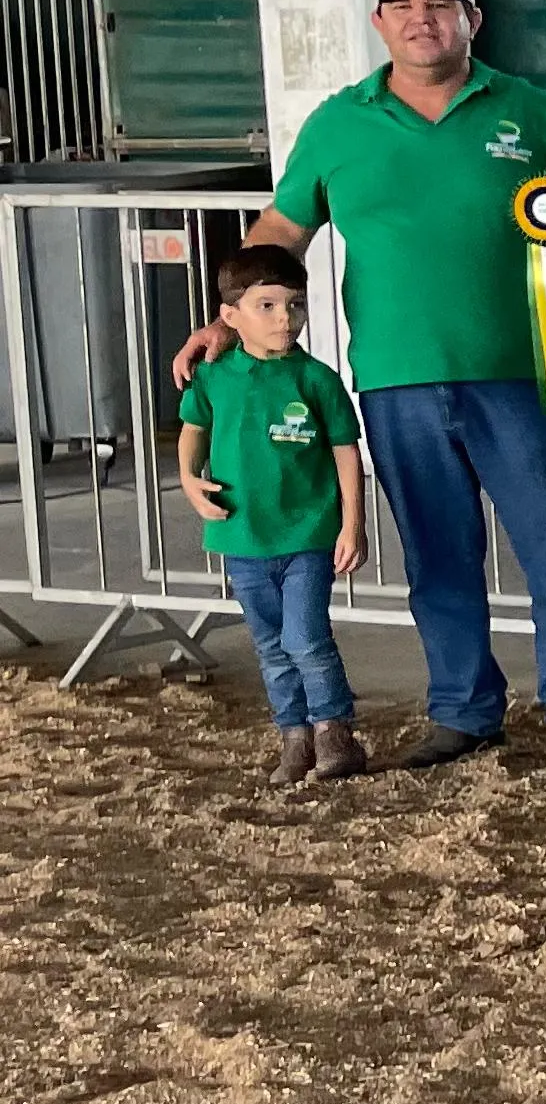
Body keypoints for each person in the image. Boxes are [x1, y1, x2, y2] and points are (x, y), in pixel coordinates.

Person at [176, 0, 546, 765]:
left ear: (472, 20)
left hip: (522, 370)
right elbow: (282, 231)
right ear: (380, 23)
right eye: (404, 6)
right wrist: (226, 317)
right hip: (394, 376)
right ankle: (463, 709)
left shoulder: (529, 109)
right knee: (436, 554)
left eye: (440, 4)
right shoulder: (338, 124)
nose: (423, 20)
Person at [178, 242, 367, 786]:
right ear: (230, 316)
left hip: (307, 533)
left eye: (296, 304)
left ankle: (336, 732)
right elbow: (194, 430)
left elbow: (345, 452)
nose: (285, 317)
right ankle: (293, 736)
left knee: (305, 638)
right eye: (267, 305)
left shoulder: (317, 380)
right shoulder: (214, 378)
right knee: (268, 642)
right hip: (240, 535)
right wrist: (190, 480)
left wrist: (352, 522)